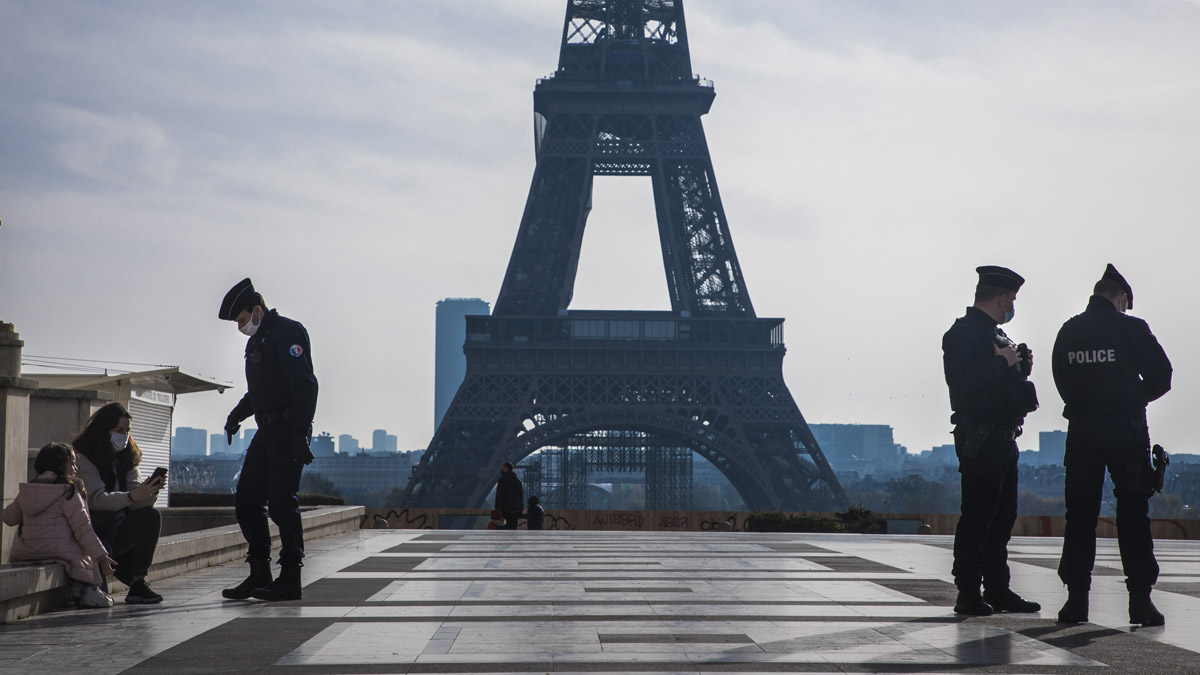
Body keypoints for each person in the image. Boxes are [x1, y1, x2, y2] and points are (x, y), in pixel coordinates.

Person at [1052, 264, 1172, 626]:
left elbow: (1061, 379)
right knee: (1133, 513)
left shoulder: (1069, 330)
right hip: (1125, 429)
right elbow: (1162, 376)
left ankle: (1076, 601)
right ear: (1120, 298)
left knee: (1080, 515)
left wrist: (1087, 403)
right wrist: (1132, 399)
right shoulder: (1130, 328)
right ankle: (1140, 601)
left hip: (1082, 429)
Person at [941, 265, 1041, 616]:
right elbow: (962, 383)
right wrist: (1001, 362)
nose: (1012, 306)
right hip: (981, 438)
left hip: (1005, 437)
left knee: (1002, 519)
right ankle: (968, 591)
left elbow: (1001, 385)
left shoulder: (996, 335)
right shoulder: (962, 334)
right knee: (978, 519)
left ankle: (997, 588)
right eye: (1011, 299)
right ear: (1001, 299)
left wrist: (1019, 366)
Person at [218, 278, 318, 602]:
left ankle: (290, 577)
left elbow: (305, 386)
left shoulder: (288, 332)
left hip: (289, 429)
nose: (241, 327)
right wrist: (236, 416)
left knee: (281, 504)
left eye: (242, 319)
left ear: (257, 310)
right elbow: (259, 392)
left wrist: (300, 434)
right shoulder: (258, 341)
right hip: (267, 430)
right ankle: (259, 572)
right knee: (247, 501)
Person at [3, 443, 119, 608]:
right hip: (59, 551)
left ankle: (79, 587)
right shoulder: (68, 492)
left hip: (27, 552)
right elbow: (83, 529)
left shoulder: (28, 491)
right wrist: (102, 557)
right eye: (72, 463)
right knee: (88, 550)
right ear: (60, 465)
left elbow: (9, 518)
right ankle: (90, 590)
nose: (75, 468)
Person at [73, 402, 166, 604]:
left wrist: (150, 491)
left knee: (151, 516)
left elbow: (134, 502)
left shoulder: (126, 457)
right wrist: (131, 496)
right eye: (119, 430)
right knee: (107, 517)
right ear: (103, 430)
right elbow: (95, 500)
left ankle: (138, 583)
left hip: (117, 530)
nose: (124, 435)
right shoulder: (83, 458)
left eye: (127, 431)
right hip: (93, 532)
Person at [495, 462, 523, 530]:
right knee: (513, 528)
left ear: (507, 468)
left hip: (505, 509)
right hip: (515, 509)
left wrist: (498, 508)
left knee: (505, 528)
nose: (502, 469)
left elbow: (499, 495)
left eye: (503, 467)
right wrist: (520, 507)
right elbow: (520, 495)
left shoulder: (502, 480)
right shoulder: (517, 480)